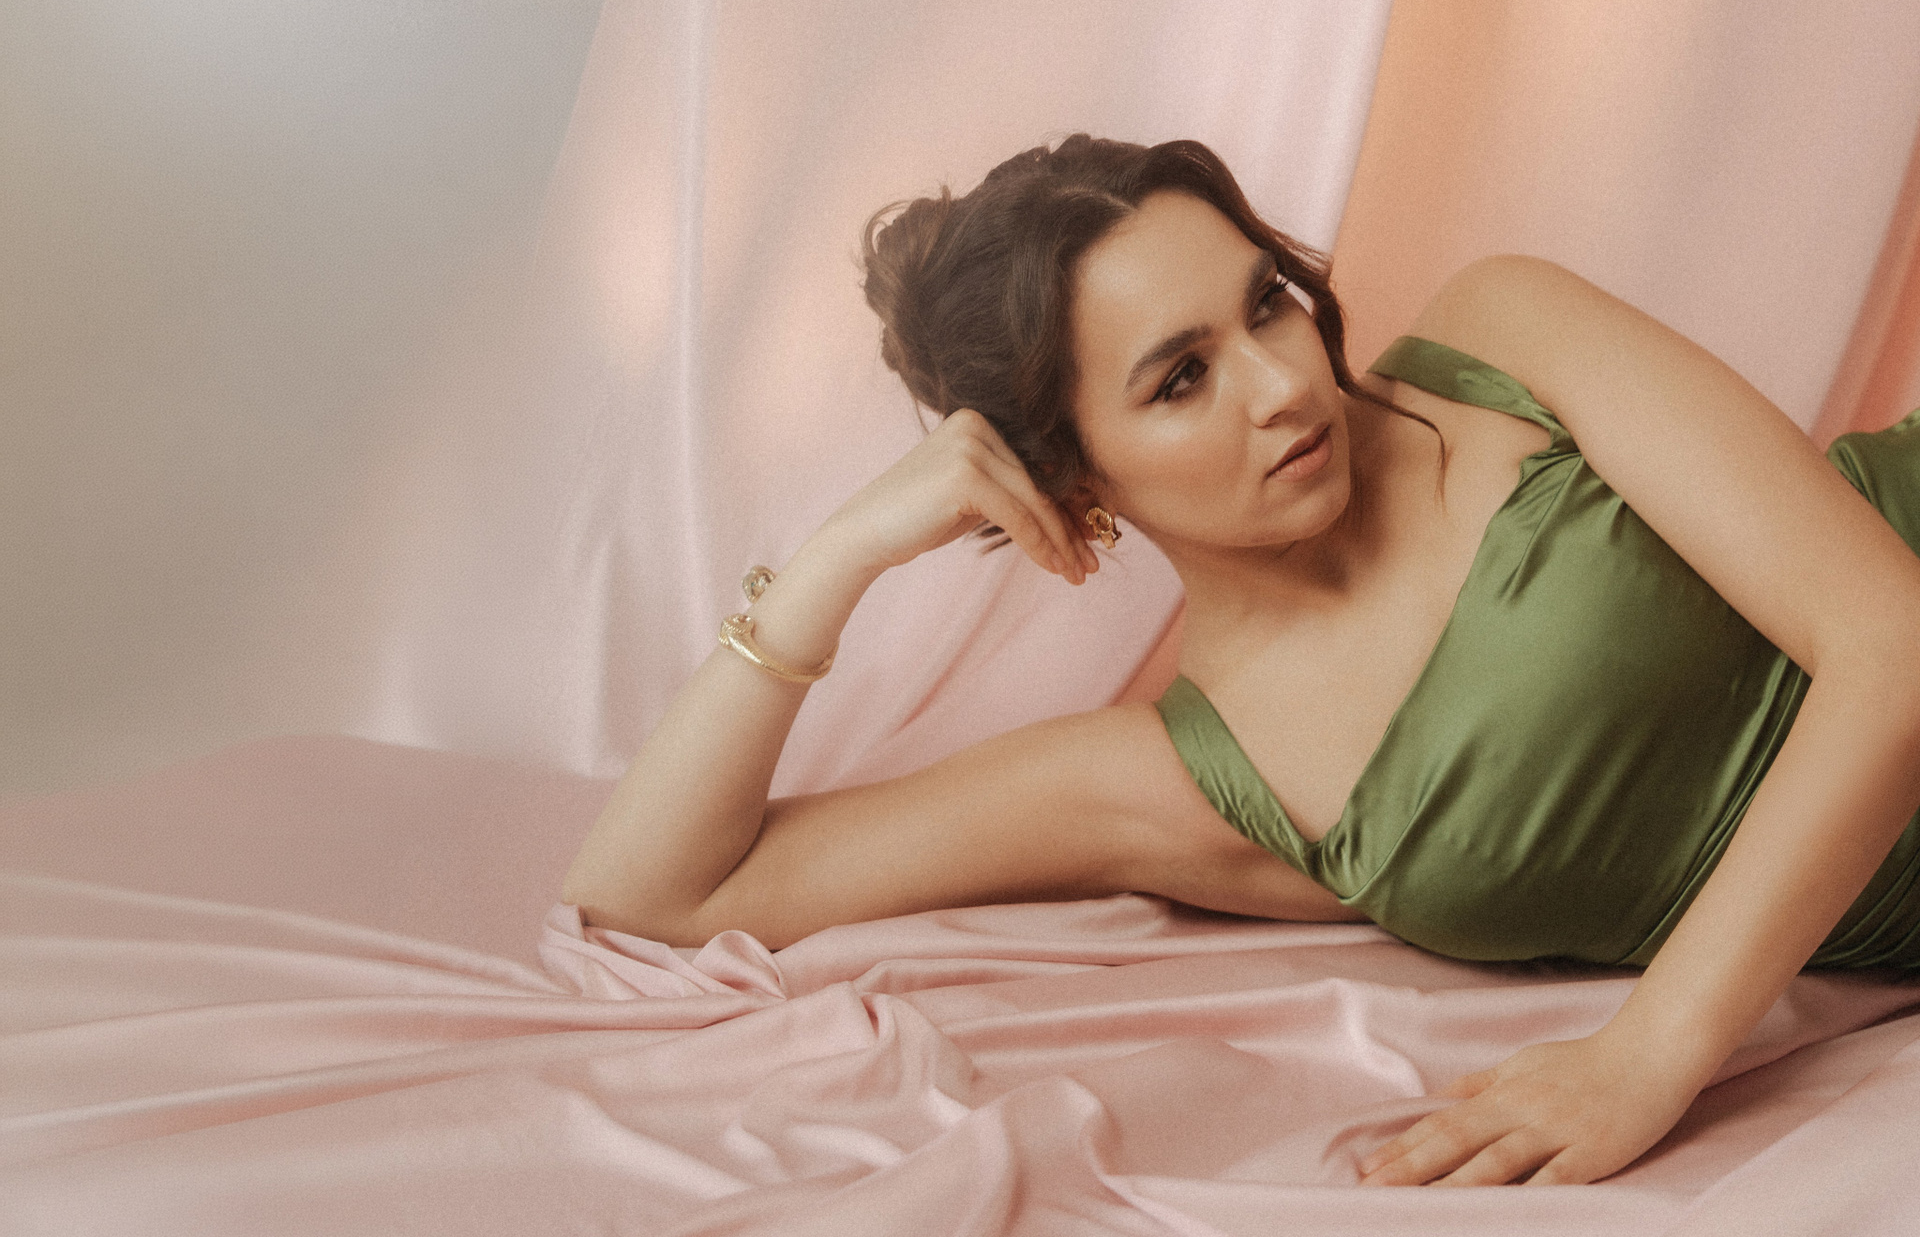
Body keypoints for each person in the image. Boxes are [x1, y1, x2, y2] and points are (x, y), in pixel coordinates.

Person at [563, 134, 1920, 1186]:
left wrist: (1649, 1055)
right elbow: (651, 895)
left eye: (1266, 304)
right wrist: (834, 560)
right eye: (1180, 377)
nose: (1282, 385)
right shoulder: (1187, 780)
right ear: (1069, 475)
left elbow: (1892, 645)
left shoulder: (1498, 341)